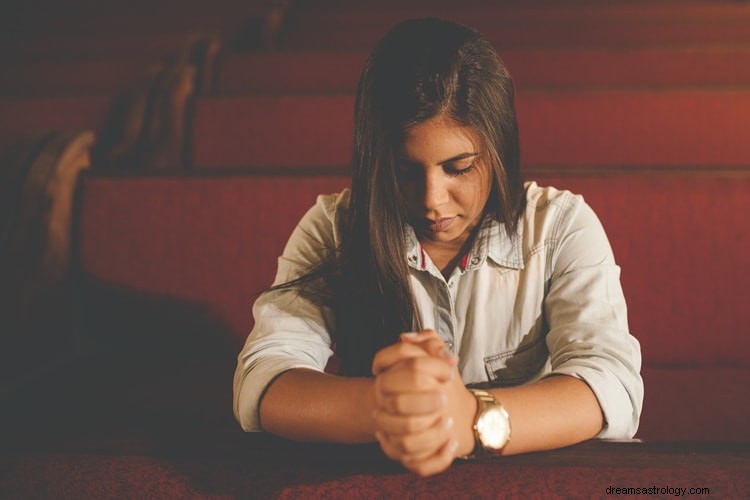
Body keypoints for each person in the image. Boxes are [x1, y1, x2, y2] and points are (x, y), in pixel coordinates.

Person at [233, 17, 643, 477]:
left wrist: (467, 419)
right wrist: (382, 407)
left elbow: (611, 385)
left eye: (459, 168)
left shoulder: (560, 226)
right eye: (405, 171)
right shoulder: (335, 228)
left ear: (498, 151)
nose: (431, 200)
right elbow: (263, 379)